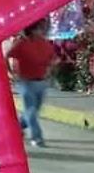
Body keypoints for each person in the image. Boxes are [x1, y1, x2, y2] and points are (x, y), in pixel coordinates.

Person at [7, 19, 57, 148]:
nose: (43, 31)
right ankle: (37, 137)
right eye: (40, 28)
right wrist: (10, 72)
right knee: (31, 111)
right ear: (33, 30)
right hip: (26, 82)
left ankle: (17, 128)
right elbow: (7, 56)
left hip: (41, 82)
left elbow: (53, 59)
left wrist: (49, 71)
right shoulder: (21, 44)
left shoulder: (44, 43)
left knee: (34, 111)